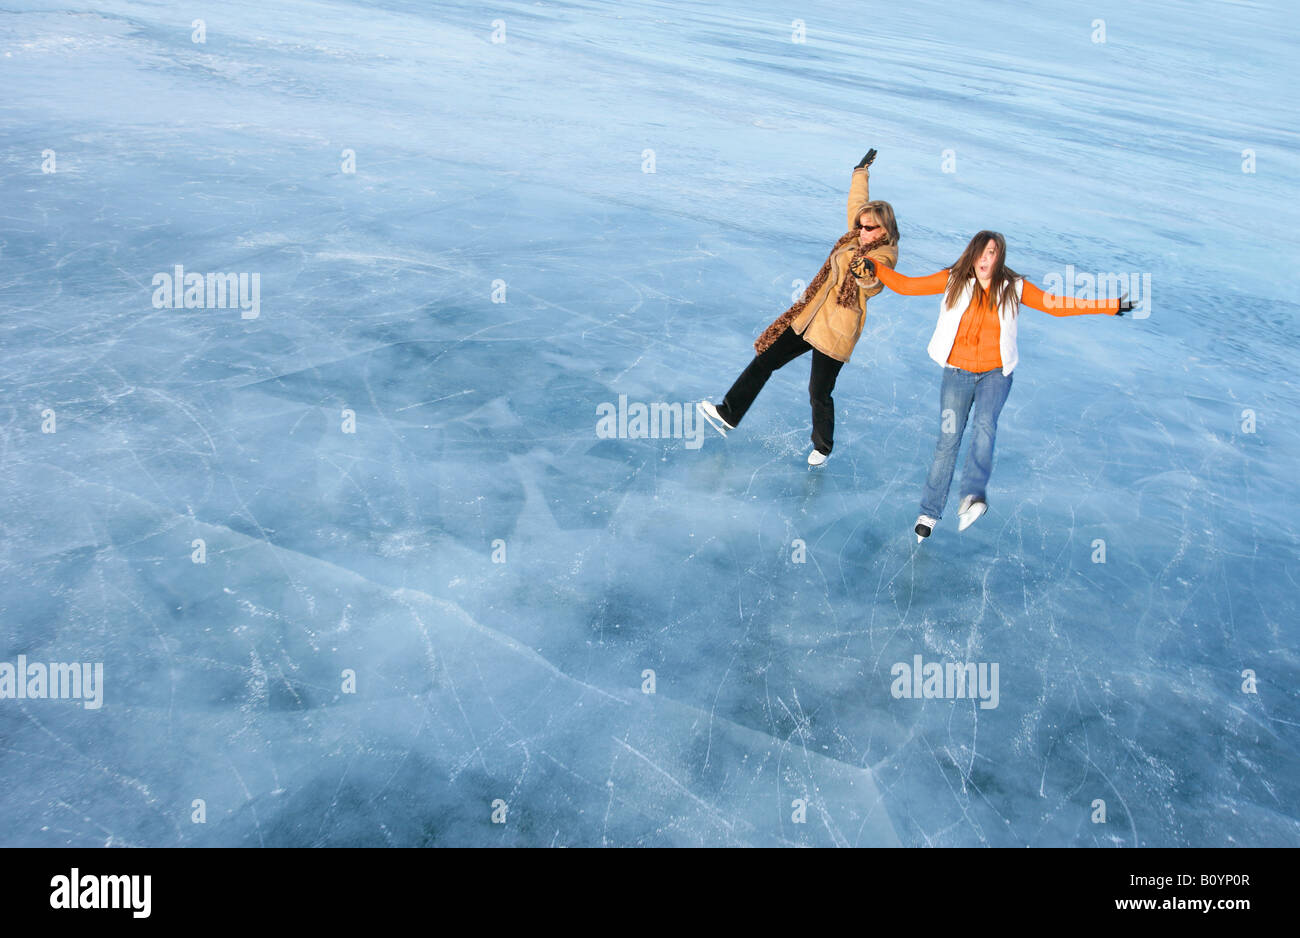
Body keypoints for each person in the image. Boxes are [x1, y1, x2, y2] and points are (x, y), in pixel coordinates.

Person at [851, 231, 1131, 541]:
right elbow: (908, 285)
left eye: (993, 253)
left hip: (995, 375)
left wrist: (1109, 305)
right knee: (948, 441)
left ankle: (972, 497)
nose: (986, 259)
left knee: (985, 427)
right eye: (982, 253)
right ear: (972, 254)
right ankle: (929, 513)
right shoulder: (952, 280)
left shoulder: (1014, 287)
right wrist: (876, 268)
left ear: (1000, 258)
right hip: (957, 373)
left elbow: (1055, 305)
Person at [697, 149, 899, 466]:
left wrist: (865, 275)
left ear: (885, 229)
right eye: (861, 226)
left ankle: (823, 446)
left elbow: (874, 285)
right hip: (810, 317)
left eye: (870, 228)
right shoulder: (853, 236)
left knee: (818, 391)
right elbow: (856, 202)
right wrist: (860, 171)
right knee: (764, 361)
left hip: (835, 331)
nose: (863, 231)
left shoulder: (883, 254)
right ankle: (728, 413)